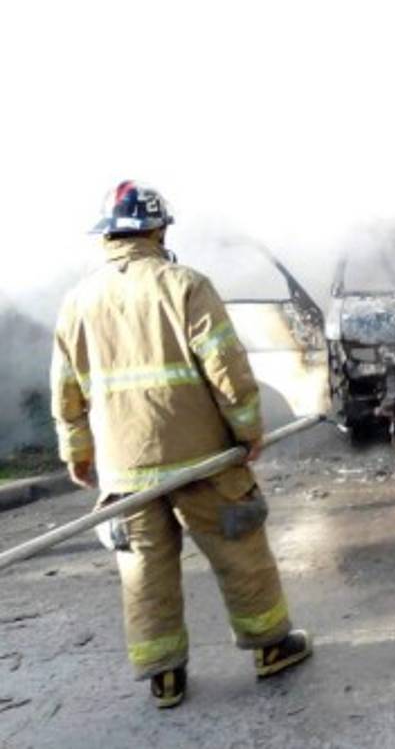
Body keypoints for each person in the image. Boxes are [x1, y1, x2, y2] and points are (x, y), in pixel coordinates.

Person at [50, 181, 312, 710]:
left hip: (125, 470)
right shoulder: (185, 285)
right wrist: (248, 431)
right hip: (203, 461)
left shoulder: (78, 301)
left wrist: (78, 453)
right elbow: (228, 368)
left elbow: (67, 389)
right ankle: (270, 648)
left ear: (108, 236)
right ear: (157, 229)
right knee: (240, 551)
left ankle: (163, 675)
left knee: (143, 569)